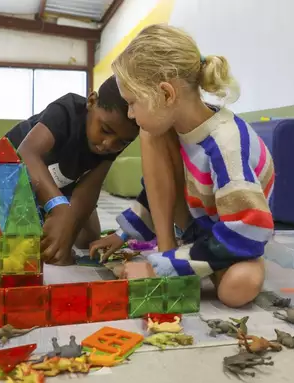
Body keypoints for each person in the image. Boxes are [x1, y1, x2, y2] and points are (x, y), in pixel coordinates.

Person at [90, 24, 275, 307]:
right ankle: (175, 256)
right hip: (196, 227)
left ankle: (179, 262)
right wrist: (122, 235)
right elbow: (161, 189)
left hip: (233, 231)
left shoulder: (226, 144)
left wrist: (157, 267)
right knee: (149, 132)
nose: (129, 113)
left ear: (166, 94)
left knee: (237, 288)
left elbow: (247, 229)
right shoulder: (169, 129)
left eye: (132, 103)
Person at [6, 75, 139, 266]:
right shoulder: (66, 110)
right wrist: (58, 206)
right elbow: (27, 153)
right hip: (14, 175)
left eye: (122, 142)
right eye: (105, 130)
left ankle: (55, 213)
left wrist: (65, 241)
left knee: (87, 238)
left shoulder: (115, 140)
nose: (108, 144)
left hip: (60, 185)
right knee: (18, 242)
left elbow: (89, 189)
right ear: (91, 102)